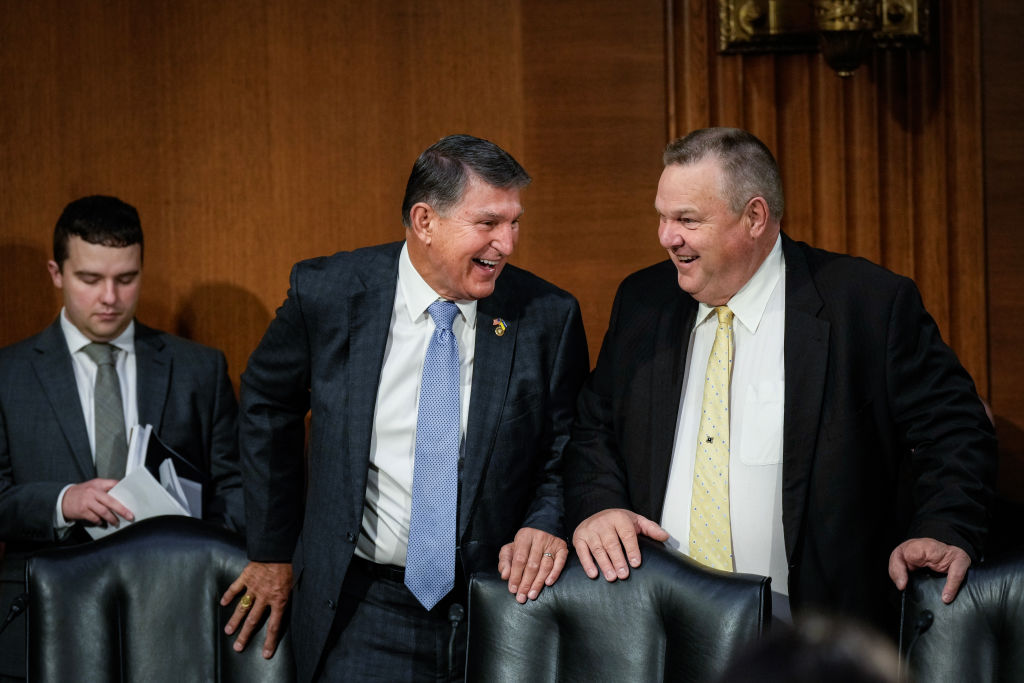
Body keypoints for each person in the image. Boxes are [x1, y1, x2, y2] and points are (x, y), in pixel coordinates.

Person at [566, 127, 997, 634]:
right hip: (658, 617)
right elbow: (593, 427)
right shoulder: (643, 300)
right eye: (662, 217)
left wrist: (944, 527)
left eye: (687, 220)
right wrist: (599, 506)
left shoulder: (867, 305)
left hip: (811, 628)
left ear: (754, 217)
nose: (667, 236)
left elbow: (956, 430)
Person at [221, 134, 589, 681]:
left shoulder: (546, 316)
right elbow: (267, 405)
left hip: (504, 606)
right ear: (425, 221)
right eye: (488, 223)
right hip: (367, 607)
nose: (507, 244)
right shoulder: (328, 292)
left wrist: (545, 521)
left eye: (515, 223)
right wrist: (272, 548)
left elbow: (568, 446)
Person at [0, 195, 245, 680]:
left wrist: (195, 534)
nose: (109, 297)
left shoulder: (199, 369)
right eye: (90, 279)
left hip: (173, 614)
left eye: (126, 279)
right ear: (56, 273)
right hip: (40, 613)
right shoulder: (8, 374)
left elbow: (236, 489)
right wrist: (62, 501)